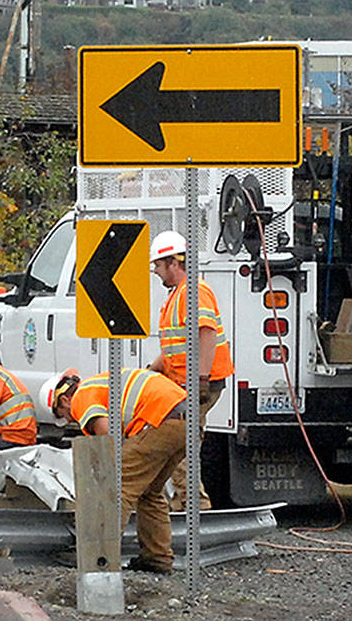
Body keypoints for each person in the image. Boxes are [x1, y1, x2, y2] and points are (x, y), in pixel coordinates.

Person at [41, 367, 187, 573]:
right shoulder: (99, 385)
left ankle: (97, 554)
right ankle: (157, 559)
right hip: (187, 421)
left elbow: (109, 436)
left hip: (160, 420)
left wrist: (103, 473)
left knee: (116, 486)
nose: (70, 419)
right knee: (150, 492)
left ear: (64, 400)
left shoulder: (82, 396)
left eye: (62, 414)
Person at [147, 230, 234, 511]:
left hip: (198, 383)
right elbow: (177, 344)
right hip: (186, 383)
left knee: (181, 444)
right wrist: (151, 371)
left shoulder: (193, 291)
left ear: (174, 262)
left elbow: (205, 333)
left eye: (159, 266)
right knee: (180, 443)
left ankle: (194, 506)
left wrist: (200, 380)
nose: (156, 272)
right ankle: (186, 502)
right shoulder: (179, 294)